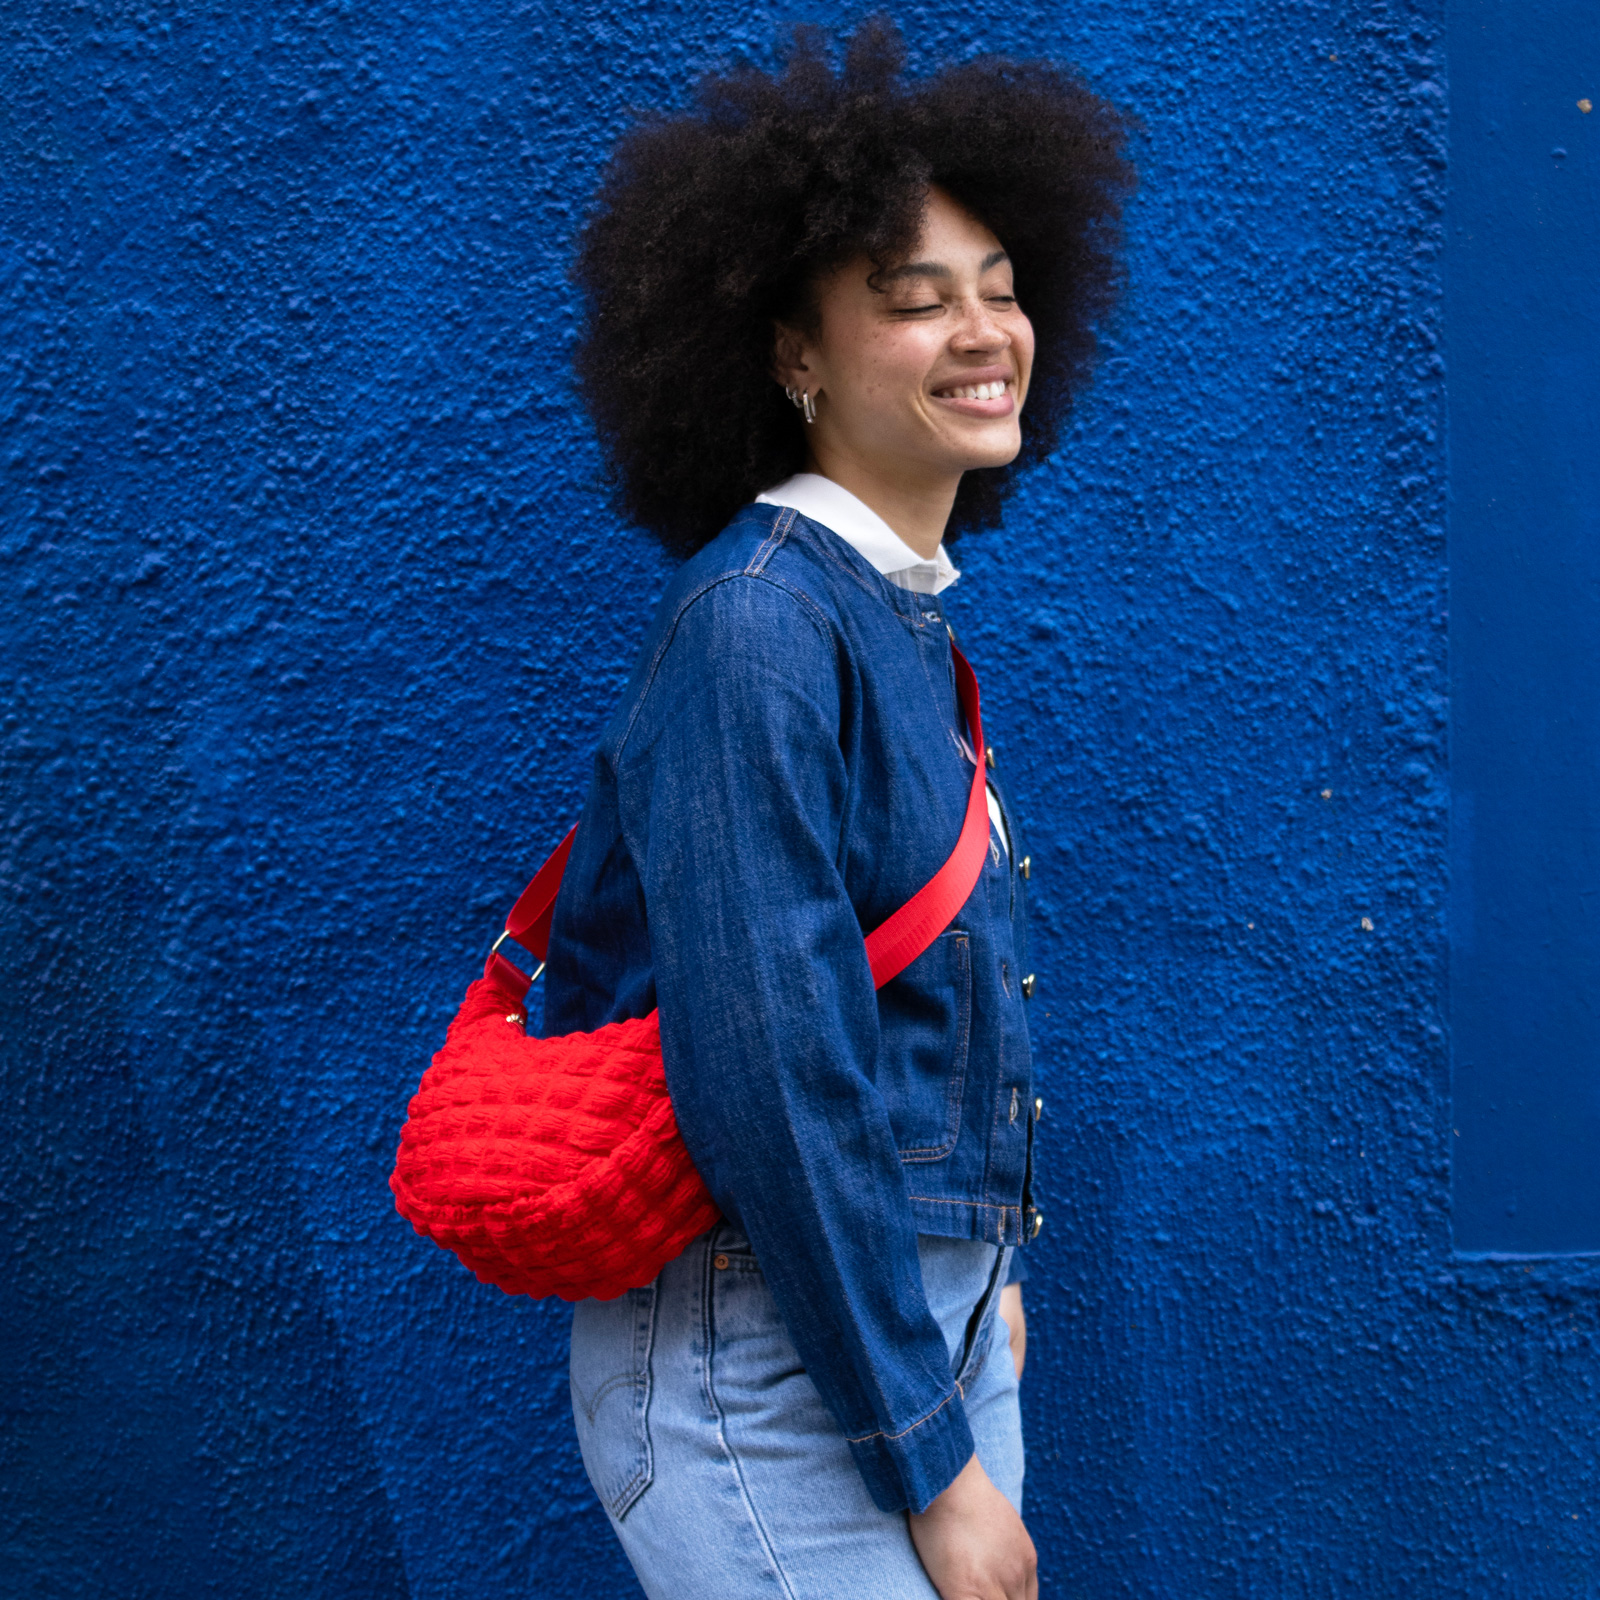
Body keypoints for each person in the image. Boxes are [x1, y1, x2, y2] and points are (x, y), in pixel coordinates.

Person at [544, 20, 1133, 1599]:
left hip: (903, 1335)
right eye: (912, 297)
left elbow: (908, 1018)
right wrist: (924, 1457)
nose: (982, 329)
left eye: (1001, 285)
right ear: (795, 356)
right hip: (785, 1370)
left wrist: (981, 1272)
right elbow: (776, 1074)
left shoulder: (893, 621)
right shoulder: (761, 626)